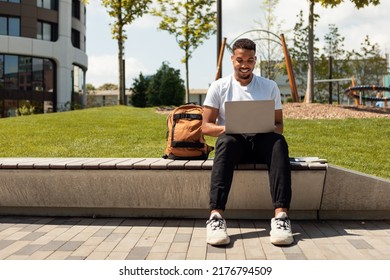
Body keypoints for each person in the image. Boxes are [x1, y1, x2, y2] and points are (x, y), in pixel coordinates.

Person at [202, 38, 293, 246]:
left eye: (250, 60)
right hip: (235, 144)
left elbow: (279, 125)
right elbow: (205, 126)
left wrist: (264, 127)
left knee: (278, 142)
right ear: (232, 59)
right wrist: (230, 127)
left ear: (255, 61)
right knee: (225, 142)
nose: (245, 65)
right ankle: (216, 217)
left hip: (261, 142)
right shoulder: (219, 87)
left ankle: (281, 218)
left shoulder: (269, 86)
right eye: (240, 60)